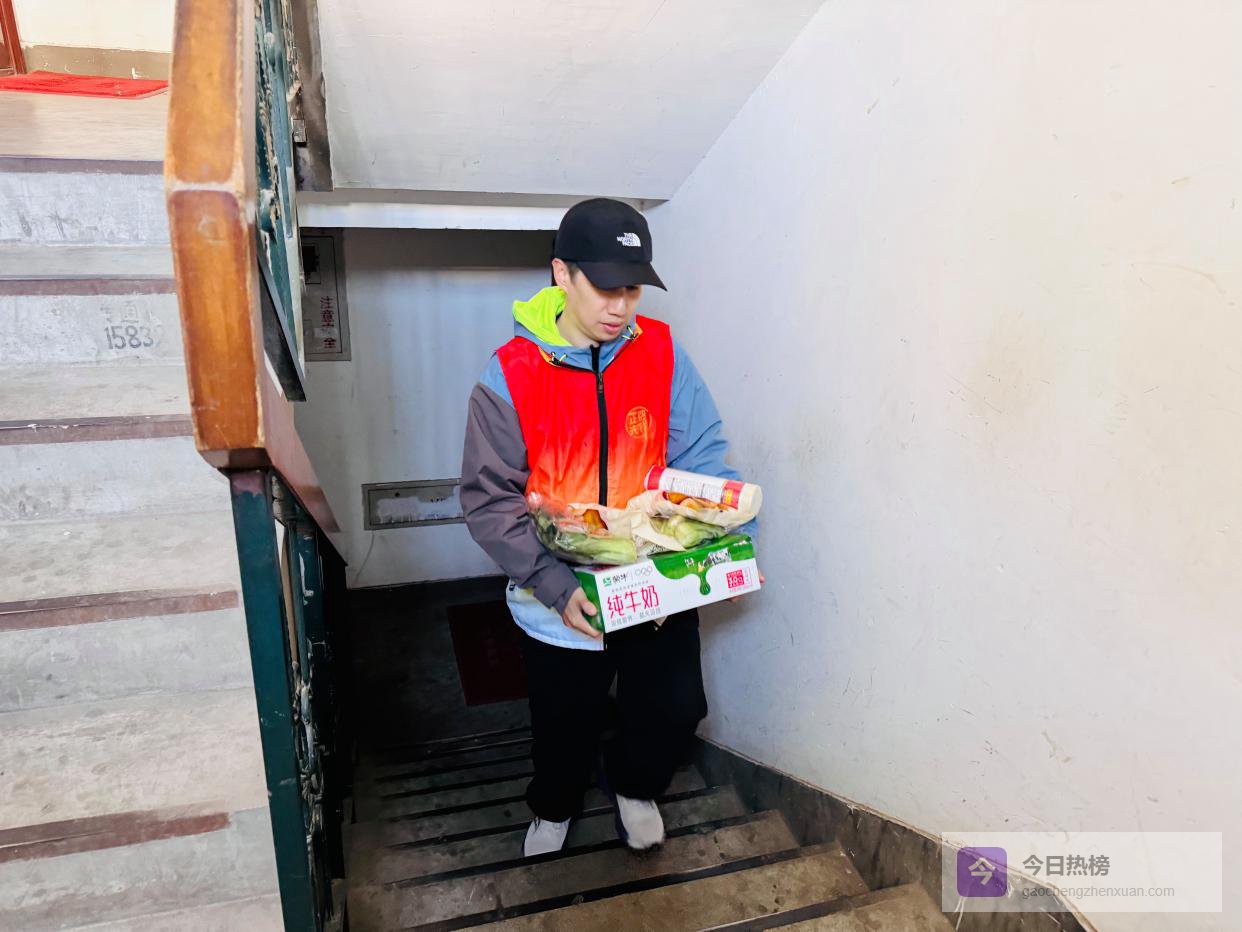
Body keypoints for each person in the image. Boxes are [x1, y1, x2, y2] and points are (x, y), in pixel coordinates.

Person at [460, 197, 755, 857]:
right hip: (558, 591)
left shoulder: (662, 353)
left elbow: (701, 456)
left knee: (675, 708)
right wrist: (553, 584)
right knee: (564, 719)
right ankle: (554, 805)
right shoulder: (509, 373)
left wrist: (729, 548)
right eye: (604, 286)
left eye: (633, 288)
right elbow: (488, 499)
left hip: (654, 583)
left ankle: (633, 785)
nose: (621, 306)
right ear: (561, 273)